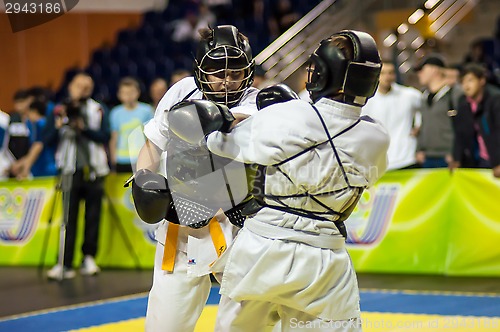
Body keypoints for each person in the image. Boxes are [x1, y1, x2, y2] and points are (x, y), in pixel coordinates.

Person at [201, 30, 389, 331]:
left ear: (321, 74)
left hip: (263, 247)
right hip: (325, 257)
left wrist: (236, 117)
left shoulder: (286, 116)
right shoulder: (377, 137)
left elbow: (220, 142)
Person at [131, 25, 259, 331]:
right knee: (164, 326)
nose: (228, 80)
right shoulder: (180, 91)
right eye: (218, 72)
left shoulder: (260, 102)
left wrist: (218, 116)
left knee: (243, 326)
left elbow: (248, 119)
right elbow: (152, 143)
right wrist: (143, 179)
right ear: (202, 70)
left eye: (235, 72)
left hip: (240, 228)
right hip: (182, 225)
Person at [44, 72, 110, 279]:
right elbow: (47, 139)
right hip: (69, 168)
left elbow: (104, 136)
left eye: (87, 86)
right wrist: (58, 126)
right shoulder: (58, 109)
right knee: (68, 217)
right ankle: (64, 262)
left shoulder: (97, 108)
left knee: (92, 216)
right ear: (71, 86)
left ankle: (88, 257)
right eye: (79, 85)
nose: (83, 89)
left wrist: (84, 129)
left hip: (94, 168)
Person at [362, 60, 422, 170]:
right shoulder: (366, 100)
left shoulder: (409, 95)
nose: (387, 77)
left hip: (405, 157)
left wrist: (419, 125)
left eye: (391, 73)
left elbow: (426, 108)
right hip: (376, 160)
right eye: (383, 73)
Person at [450, 63, 500, 178]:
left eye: (470, 80)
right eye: (462, 82)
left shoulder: (495, 99)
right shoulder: (463, 103)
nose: (466, 86)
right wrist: (456, 158)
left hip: (496, 159)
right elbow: (460, 133)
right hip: (479, 160)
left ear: (482, 80)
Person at [414, 54, 461, 168]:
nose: (419, 74)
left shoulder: (455, 94)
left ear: (433, 69)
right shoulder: (424, 96)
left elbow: (462, 127)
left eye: (422, 70)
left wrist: (456, 154)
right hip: (427, 157)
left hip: (447, 157)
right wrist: (419, 149)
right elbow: (423, 124)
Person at [109, 77, 153, 173]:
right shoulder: (115, 113)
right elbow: (114, 137)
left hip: (141, 158)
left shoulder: (147, 110)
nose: (128, 96)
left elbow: (151, 136)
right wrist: (113, 159)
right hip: (121, 159)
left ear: (138, 92)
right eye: (124, 93)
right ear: (119, 95)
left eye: (131, 92)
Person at [9, 100, 57, 179]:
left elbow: (38, 146)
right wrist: (22, 163)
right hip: (46, 168)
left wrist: (26, 168)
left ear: (34, 112)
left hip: (44, 168)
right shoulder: (46, 124)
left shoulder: (39, 125)